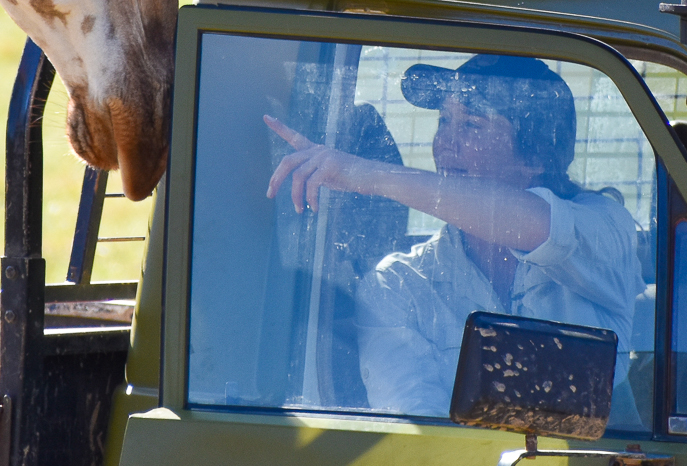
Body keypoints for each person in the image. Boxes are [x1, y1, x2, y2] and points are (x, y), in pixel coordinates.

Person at [265, 54, 641, 416]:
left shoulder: (605, 228)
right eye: (444, 121)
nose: (446, 142)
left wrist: (368, 175)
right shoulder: (397, 284)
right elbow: (416, 422)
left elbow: (536, 225)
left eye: (471, 125)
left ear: (535, 156)